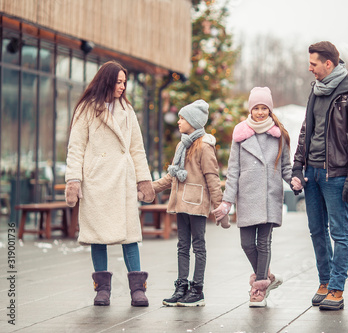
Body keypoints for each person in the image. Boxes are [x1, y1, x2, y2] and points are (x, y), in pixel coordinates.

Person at [65, 60, 155, 307]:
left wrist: (144, 179)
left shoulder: (127, 110)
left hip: (122, 181)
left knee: (130, 235)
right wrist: (73, 180)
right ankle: (101, 290)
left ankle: (138, 290)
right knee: (97, 235)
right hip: (97, 180)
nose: (123, 87)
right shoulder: (86, 109)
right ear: (107, 81)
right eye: (118, 82)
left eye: (124, 83)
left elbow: (137, 148)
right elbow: (76, 147)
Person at [291, 41, 348, 311]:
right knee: (316, 231)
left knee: (340, 232)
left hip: (336, 174)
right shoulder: (316, 90)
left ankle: (337, 288)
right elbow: (305, 131)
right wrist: (297, 166)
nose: (309, 68)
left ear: (329, 63)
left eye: (313, 64)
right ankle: (324, 282)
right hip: (312, 173)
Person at [212, 87, 291, 307]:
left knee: (263, 243)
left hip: (269, 195)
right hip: (246, 196)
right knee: (247, 244)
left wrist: (294, 181)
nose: (260, 112)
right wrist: (227, 201)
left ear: (269, 109)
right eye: (256, 108)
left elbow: (286, 166)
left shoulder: (279, 135)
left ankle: (258, 289)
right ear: (251, 109)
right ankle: (267, 276)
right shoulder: (240, 134)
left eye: (264, 108)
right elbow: (233, 170)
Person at [152, 99, 229, 307]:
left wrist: (220, 207)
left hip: (196, 204)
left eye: (182, 118)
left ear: (193, 121)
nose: (178, 122)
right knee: (182, 246)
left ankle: (197, 289)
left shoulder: (204, 146)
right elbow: (173, 176)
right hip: (180, 204)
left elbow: (212, 178)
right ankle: (181, 287)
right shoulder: (182, 144)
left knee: (199, 246)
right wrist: (151, 187)